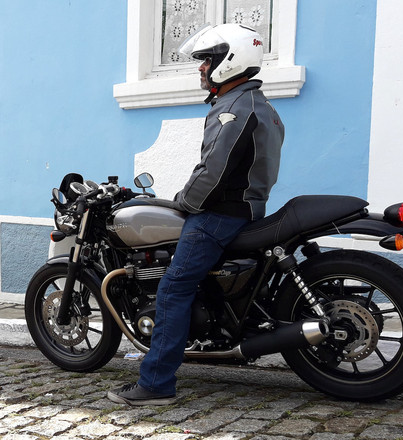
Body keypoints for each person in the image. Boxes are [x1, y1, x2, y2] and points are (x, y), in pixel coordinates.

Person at [107, 23, 285, 406]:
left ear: (229, 61)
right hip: (244, 209)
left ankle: (155, 384)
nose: (201, 68)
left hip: (219, 215)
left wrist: (183, 203)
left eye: (207, 60)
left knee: (173, 289)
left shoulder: (235, 109)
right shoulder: (259, 106)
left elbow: (212, 172)